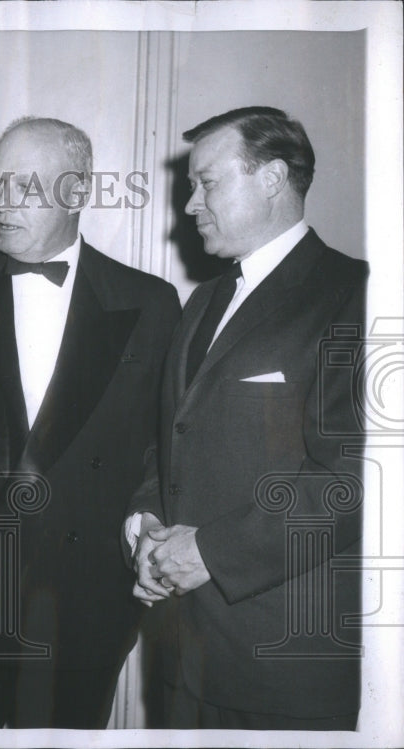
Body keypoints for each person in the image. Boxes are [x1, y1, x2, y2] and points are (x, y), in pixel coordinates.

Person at [0, 117, 181, 728]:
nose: (1, 206)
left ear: (77, 193)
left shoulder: (151, 302)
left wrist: (151, 519)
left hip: (82, 607)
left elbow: (163, 447)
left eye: (25, 188)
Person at [126, 106, 367, 730]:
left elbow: (355, 476)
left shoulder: (358, 293)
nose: (190, 206)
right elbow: (170, 440)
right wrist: (147, 524)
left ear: (272, 178)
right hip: (183, 655)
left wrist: (211, 551)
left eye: (207, 183)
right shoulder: (204, 299)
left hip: (283, 664)